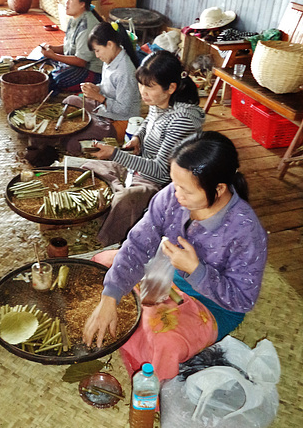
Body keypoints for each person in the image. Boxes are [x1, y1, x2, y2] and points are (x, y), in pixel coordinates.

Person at [83, 131, 267, 381]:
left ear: (220, 188)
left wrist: (196, 270)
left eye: (186, 191)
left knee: (164, 340)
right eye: (174, 183)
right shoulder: (172, 196)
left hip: (211, 302)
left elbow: (242, 300)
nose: (176, 195)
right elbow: (137, 244)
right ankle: (128, 319)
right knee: (102, 265)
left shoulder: (245, 231)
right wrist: (110, 297)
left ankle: (152, 347)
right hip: (166, 271)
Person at [82, 50, 205, 246]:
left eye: (149, 86)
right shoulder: (160, 99)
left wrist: (115, 153)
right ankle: (108, 206)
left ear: (171, 87)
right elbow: (149, 120)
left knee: (126, 199)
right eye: (140, 84)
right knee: (89, 168)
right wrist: (138, 137)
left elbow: (160, 170)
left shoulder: (182, 119)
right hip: (138, 167)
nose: (142, 91)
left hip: (160, 183)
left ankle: (110, 243)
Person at [61, 21, 142, 153]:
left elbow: (124, 109)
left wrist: (99, 98)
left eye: (98, 50)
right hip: (104, 108)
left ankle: (93, 129)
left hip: (119, 121)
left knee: (71, 144)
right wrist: (96, 88)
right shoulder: (110, 58)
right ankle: (90, 125)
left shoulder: (125, 71)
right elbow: (107, 87)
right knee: (69, 101)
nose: (97, 55)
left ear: (109, 44)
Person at [39, 0, 103, 93]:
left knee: (58, 79)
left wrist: (54, 56)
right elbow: (71, 47)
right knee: (42, 61)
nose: (66, 3)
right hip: (78, 64)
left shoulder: (87, 26)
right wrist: (53, 49)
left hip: (92, 72)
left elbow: (81, 61)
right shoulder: (74, 19)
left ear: (82, 4)